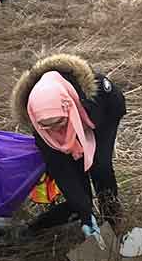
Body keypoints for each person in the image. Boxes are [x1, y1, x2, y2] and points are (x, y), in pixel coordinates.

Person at [11, 54, 127, 238]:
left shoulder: (93, 92)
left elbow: (116, 107)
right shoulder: (41, 128)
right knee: (78, 187)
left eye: (59, 122)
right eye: (47, 126)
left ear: (68, 108)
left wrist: (89, 140)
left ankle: (112, 216)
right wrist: (85, 215)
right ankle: (36, 228)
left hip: (100, 118)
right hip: (73, 122)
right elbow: (62, 172)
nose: (56, 129)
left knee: (100, 167)